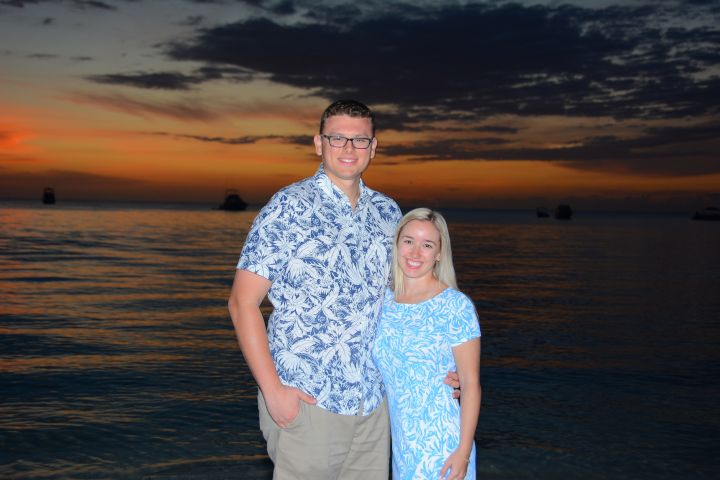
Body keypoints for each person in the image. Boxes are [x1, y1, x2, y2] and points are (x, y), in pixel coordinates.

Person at [228, 99, 402, 479]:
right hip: (309, 398)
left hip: (373, 402)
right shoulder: (289, 206)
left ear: (373, 147)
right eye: (337, 138)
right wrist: (274, 392)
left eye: (359, 140)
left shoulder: (389, 214)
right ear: (318, 143)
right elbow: (242, 303)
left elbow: (401, 304)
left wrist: (440, 365)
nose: (348, 148)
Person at [372, 208, 482, 480]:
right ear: (397, 244)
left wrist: (463, 453)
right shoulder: (383, 303)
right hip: (402, 446)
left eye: (427, 245)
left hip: (444, 446)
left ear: (439, 253)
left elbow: (470, 384)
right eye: (408, 241)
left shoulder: (455, 306)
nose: (415, 253)